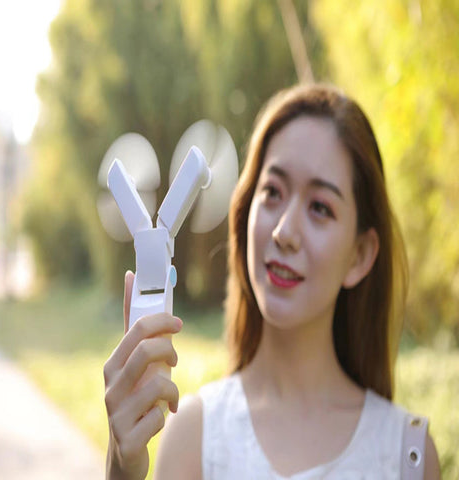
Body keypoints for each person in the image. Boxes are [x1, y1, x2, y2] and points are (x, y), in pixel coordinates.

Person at [104, 84, 441, 479]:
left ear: (360, 255)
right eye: (273, 192)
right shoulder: (193, 434)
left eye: (320, 207)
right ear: (247, 213)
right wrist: (121, 470)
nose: (284, 231)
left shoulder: (407, 454)